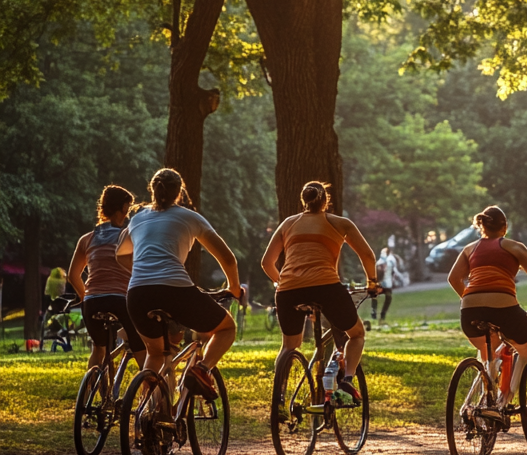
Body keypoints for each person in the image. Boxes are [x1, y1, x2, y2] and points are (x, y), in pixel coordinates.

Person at [115, 168, 242, 397]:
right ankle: (202, 370)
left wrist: (144, 271)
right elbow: (227, 258)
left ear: (152, 189)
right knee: (226, 328)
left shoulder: (138, 218)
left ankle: (150, 414)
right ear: (179, 192)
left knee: (155, 354)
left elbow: (120, 254)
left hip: (137, 294)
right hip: (175, 289)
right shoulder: (190, 217)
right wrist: (234, 288)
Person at [260, 182, 381, 404]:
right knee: (356, 334)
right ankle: (346, 382)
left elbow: (267, 262)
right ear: (326, 201)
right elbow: (368, 256)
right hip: (326, 287)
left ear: (303, 201)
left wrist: (283, 282)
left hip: (288, 291)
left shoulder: (288, 223)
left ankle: (278, 398)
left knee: (289, 346)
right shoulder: (340, 223)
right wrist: (372, 283)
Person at [449, 206, 527, 424]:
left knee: (487, 348)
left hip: (469, 309)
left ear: (481, 227)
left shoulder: (469, 249)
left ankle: (482, 400)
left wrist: (473, 298)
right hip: (504, 308)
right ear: (505, 227)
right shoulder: (514, 247)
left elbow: (453, 279)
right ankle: (503, 402)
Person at [67, 185, 146, 379]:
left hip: (93, 301)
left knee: (98, 349)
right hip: (121, 299)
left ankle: (91, 396)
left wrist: (85, 295)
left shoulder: (86, 239)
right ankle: (152, 393)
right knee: (140, 347)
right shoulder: (129, 237)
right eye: (126, 210)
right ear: (121, 210)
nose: (127, 215)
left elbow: (72, 275)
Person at [370, 247, 403, 323]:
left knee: (380, 297)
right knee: (381, 297)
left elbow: (393, 272)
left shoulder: (383, 262)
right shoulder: (385, 262)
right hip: (385, 284)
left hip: (384, 284)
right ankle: (377, 313)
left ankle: (377, 314)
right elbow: (393, 272)